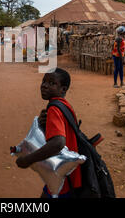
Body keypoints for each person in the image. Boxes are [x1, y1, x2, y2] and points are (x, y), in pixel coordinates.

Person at [16, 68, 81, 198]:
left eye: (52, 83)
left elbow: (58, 143)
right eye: (44, 81)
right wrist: (42, 124)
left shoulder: (54, 109)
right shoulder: (64, 106)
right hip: (69, 173)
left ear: (63, 89)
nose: (44, 85)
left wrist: (28, 159)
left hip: (61, 177)